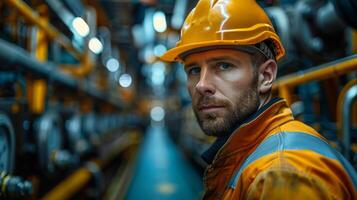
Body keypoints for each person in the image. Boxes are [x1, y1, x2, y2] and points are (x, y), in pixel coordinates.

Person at [161, 0, 357, 199]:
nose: (201, 85)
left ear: (266, 76)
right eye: (194, 70)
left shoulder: (283, 175)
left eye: (224, 66)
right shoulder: (247, 157)